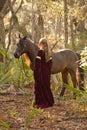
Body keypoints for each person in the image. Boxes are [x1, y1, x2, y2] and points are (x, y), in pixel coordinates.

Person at [34, 38, 54, 109]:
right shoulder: (49, 52)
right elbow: (50, 64)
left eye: (39, 43)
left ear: (41, 44)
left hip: (41, 71)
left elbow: (37, 63)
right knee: (46, 86)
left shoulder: (40, 52)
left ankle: (41, 102)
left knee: (40, 86)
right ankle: (49, 101)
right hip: (47, 72)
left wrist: (36, 71)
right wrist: (48, 71)